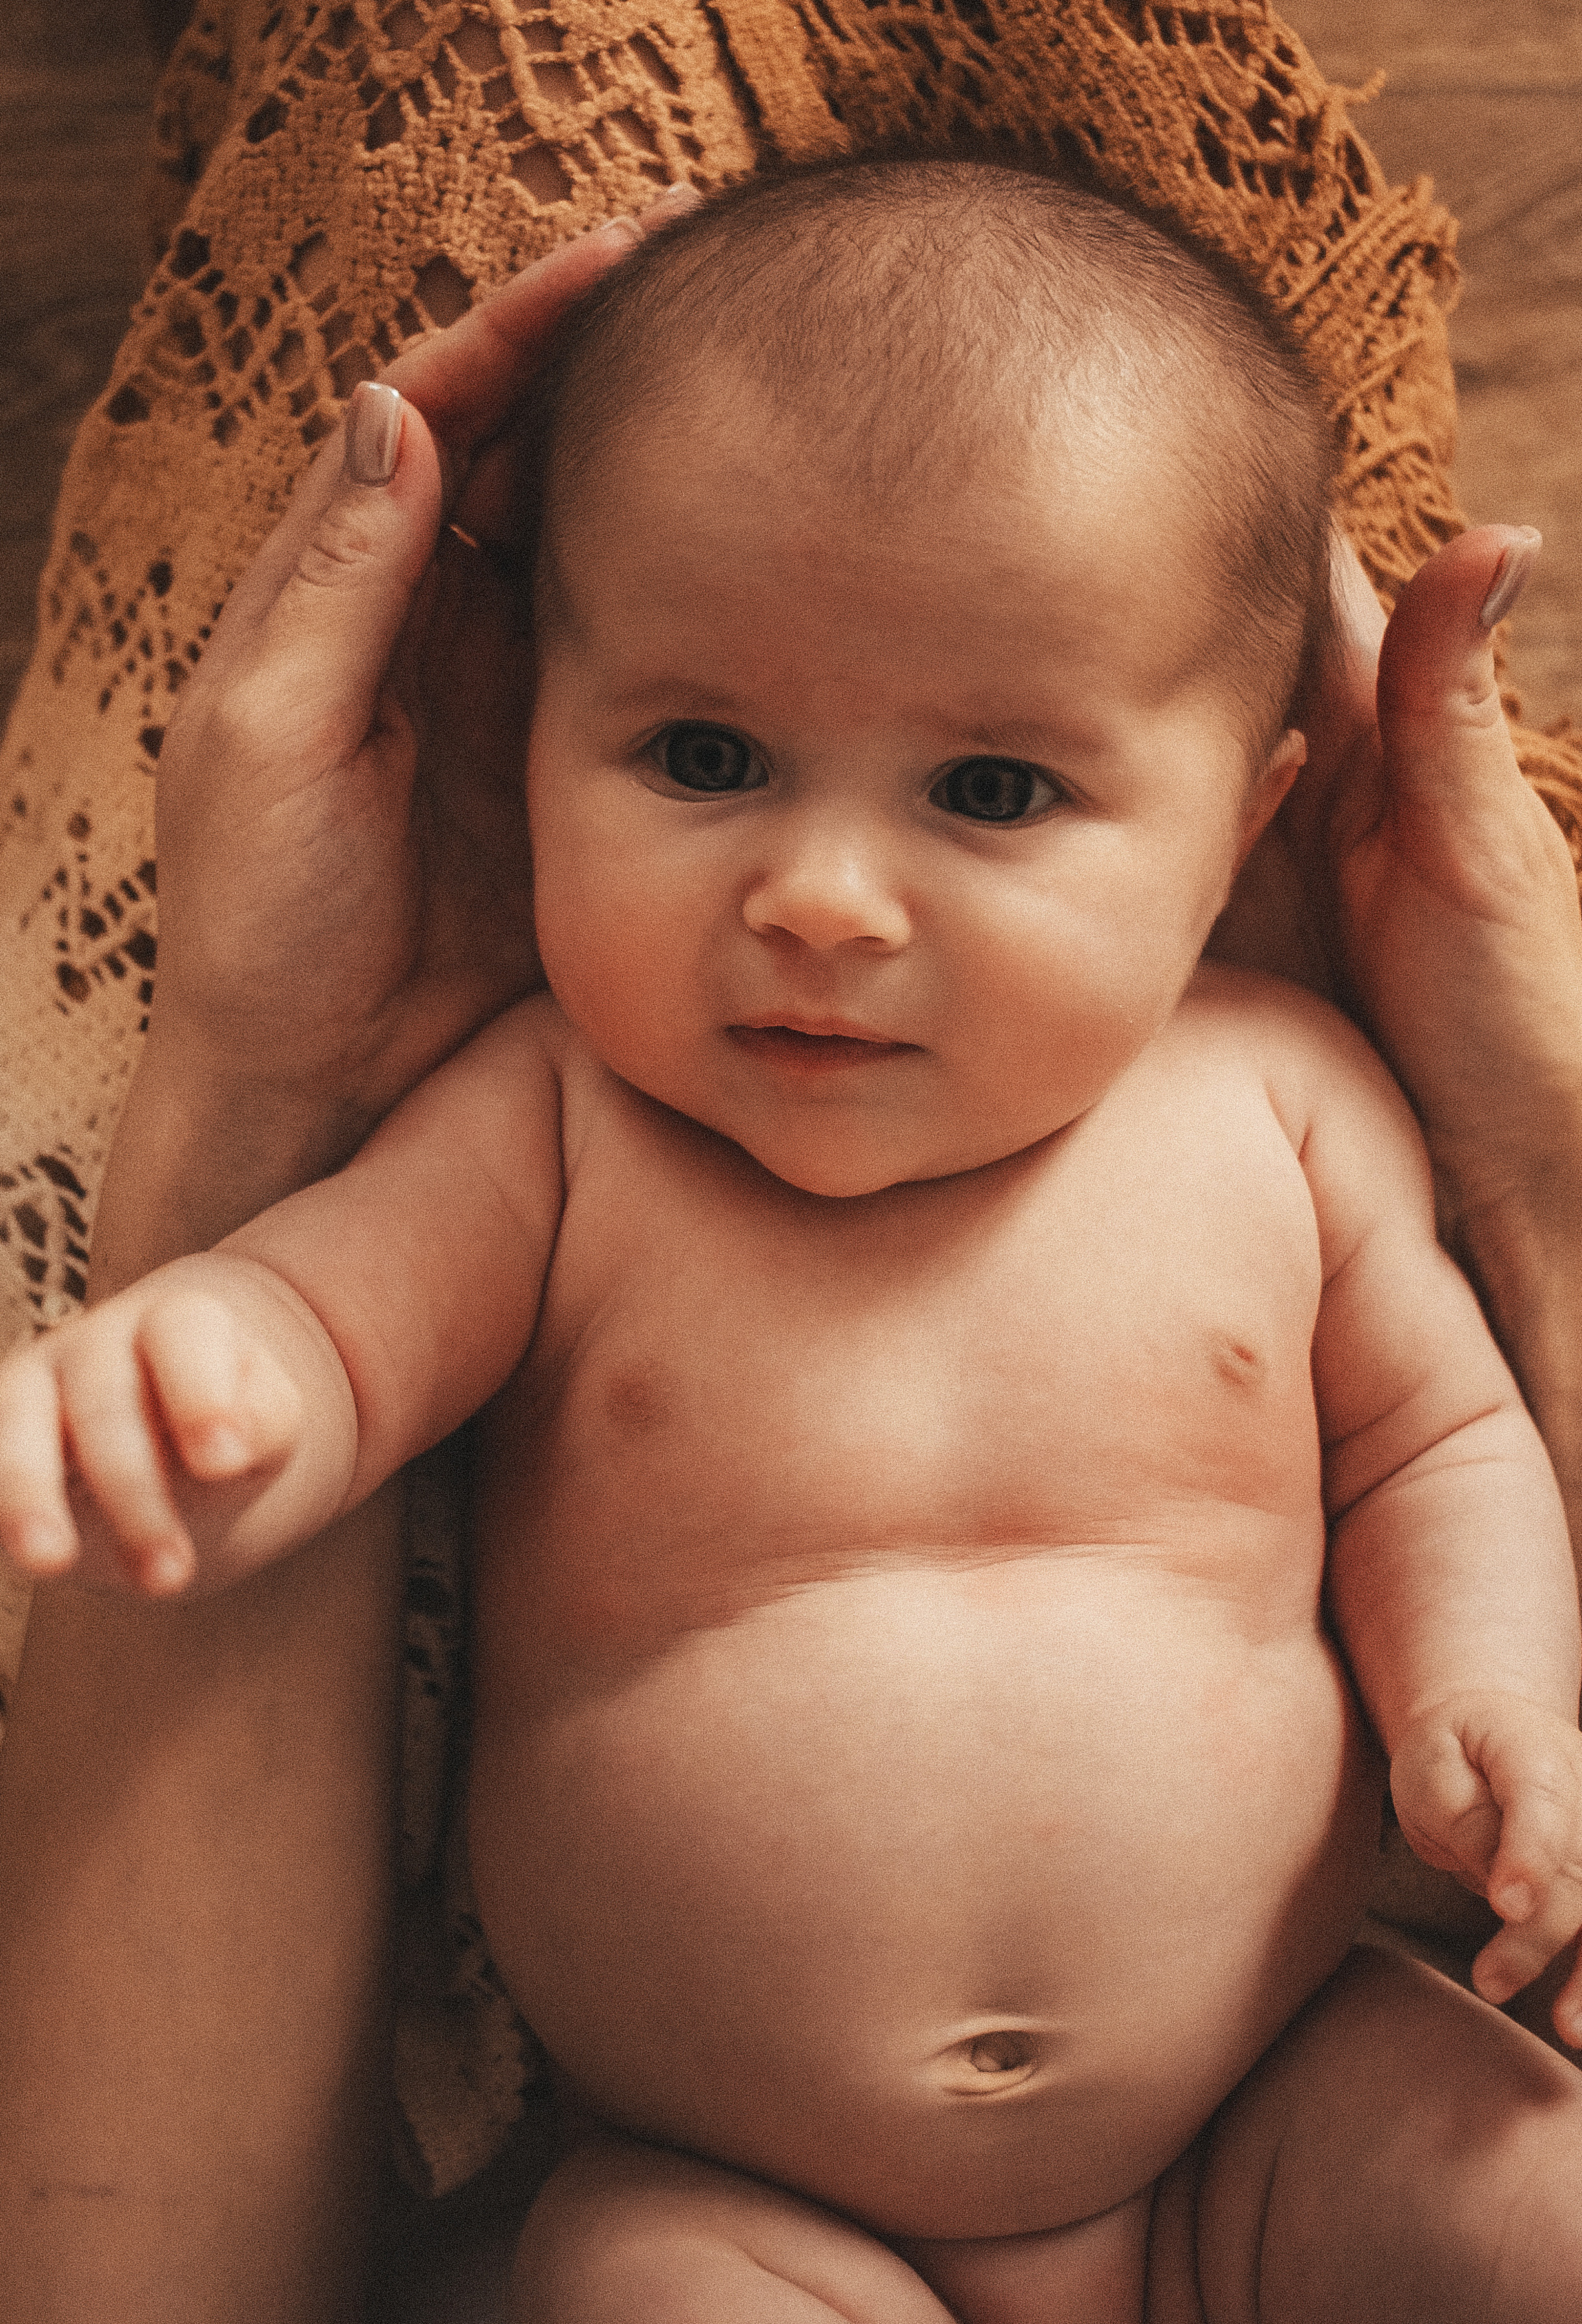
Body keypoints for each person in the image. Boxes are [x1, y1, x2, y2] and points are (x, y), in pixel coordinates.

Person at [5, 158, 1582, 2322]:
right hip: (732, 2201)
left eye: (993, 792)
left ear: (1245, 816)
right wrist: (185, 1378)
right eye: (706, 752)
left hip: (1283, 2115)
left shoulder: (1281, 1099)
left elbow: (1436, 1453)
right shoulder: (556, 1128)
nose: (824, 898)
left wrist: (1488, 1699)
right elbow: (326, 1337)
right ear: (527, 733)